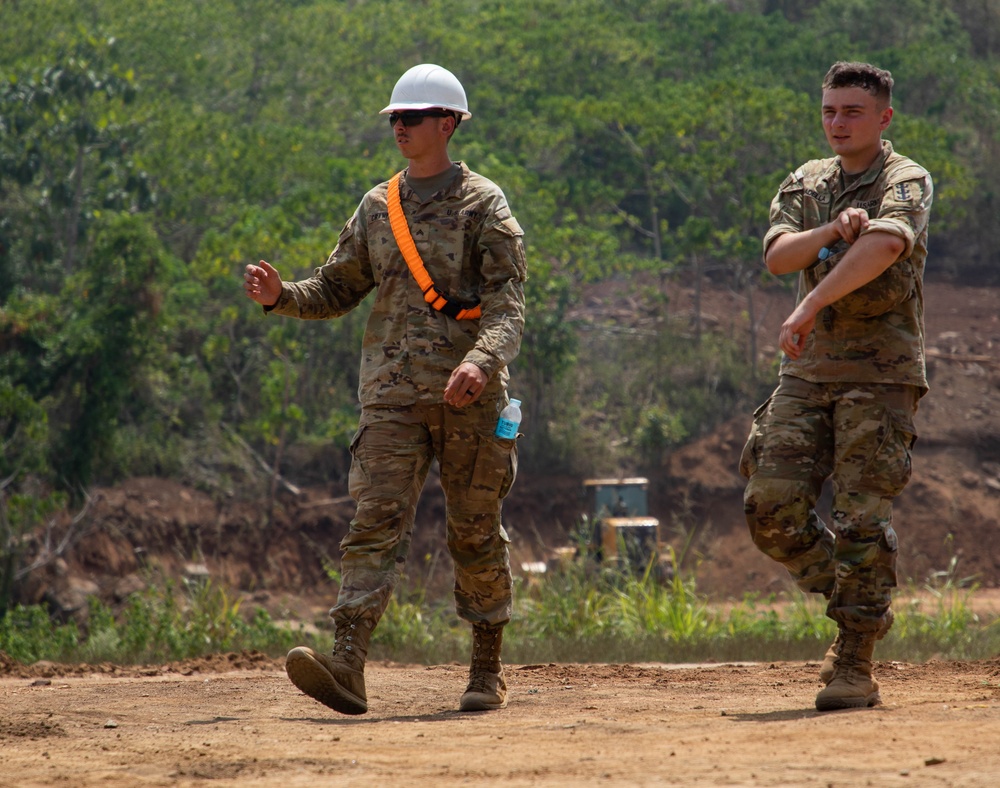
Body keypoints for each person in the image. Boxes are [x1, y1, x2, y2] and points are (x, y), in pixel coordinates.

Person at [243, 64, 527, 715]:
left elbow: (508, 306)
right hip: (391, 401)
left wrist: (481, 363)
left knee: (475, 532)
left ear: (448, 124)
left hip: (471, 401)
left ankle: (486, 667)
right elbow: (337, 287)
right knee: (371, 526)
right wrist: (282, 296)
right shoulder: (379, 207)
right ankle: (347, 664)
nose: (400, 127)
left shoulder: (484, 204)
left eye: (413, 117)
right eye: (395, 118)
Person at [740, 62, 933, 712]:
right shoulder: (807, 181)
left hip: (878, 378)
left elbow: (883, 246)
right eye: (829, 111)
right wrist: (829, 230)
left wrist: (808, 305)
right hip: (809, 374)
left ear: (883, 118)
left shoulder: (905, 179)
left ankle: (854, 660)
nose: (838, 123)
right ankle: (859, 605)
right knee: (770, 509)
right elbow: (778, 256)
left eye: (852, 111)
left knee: (859, 518)